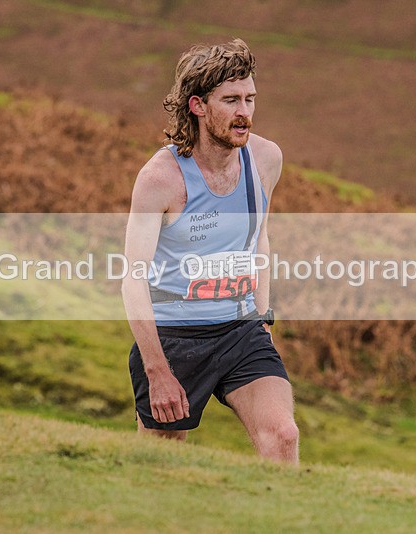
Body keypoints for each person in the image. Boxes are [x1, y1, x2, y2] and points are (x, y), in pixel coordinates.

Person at [121, 38, 299, 464]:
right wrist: (157, 369)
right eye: (231, 100)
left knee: (284, 435)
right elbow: (133, 278)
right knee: (159, 466)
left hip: (240, 330)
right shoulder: (160, 179)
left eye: (251, 99)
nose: (245, 113)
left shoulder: (266, 159)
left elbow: (259, 238)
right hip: (174, 340)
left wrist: (264, 316)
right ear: (198, 105)